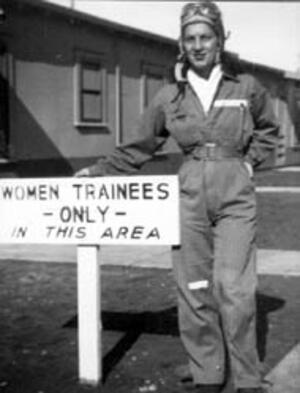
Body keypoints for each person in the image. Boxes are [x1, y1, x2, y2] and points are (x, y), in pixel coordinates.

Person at [75, 1, 278, 392]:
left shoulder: (246, 86)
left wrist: (249, 163)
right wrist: (98, 170)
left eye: (206, 37)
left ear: (220, 40)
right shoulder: (169, 95)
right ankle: (208, 374)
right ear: (181, 45)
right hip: (187, 193)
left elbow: (269, 129)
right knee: (195, 287)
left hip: (236, 193)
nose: (199, 45)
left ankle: (249, 379)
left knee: (235, 289)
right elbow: (139, 145)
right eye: (191, 39)